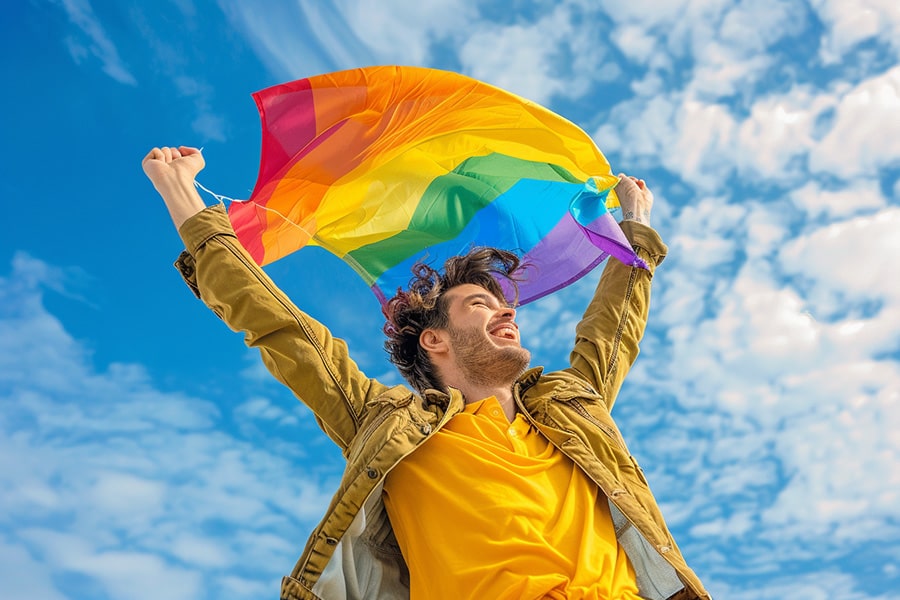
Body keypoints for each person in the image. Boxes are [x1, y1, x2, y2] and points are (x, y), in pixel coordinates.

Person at [143, 146, 710, 600]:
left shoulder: (572, 408)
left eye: (503, 305)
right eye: (480, 305)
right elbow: (277, 325)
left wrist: (635, 225)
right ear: (434, 340)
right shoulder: (384, 421)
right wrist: (181, 191)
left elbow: (613, 327)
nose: (507, 311)